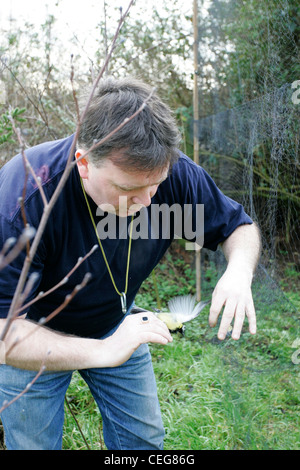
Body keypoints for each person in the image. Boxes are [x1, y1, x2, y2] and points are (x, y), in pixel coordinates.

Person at [0, 76, 261, 450]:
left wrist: (238, 272)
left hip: (115, 323)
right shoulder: (25, 199)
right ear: (84, 163)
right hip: (31, 337)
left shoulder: (169, 174)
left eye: (155, 186)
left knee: (143, 442)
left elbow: (239, 227)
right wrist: (102, 351)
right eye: (127, 190)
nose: (146, 202)